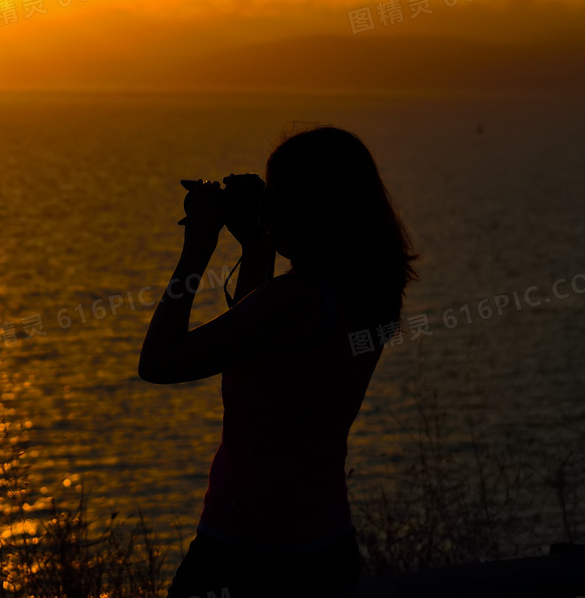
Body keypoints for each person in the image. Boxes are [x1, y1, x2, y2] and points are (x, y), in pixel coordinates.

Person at [138, 126, 418, 597]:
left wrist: (197, 250)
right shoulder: (369, 289)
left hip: (247, 550)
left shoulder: (296, 301)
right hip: (325, 545)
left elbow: (160, 362)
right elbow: (261, 340)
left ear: (311, 205)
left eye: (278, 193)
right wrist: (256, 248)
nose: (268, 204)